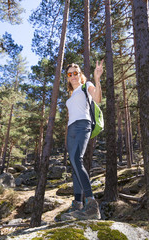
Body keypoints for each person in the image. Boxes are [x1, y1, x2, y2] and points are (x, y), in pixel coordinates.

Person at [61, 60, 104, 220]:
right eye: (70, 74)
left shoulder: (87, 86)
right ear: (67, 77)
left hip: (82, 126)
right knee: (74, 164)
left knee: (77, 160)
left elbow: (98, 99)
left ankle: (92, 205)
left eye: (75, 73)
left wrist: (97, 78)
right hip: (71, 129)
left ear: (80, 75)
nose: (73, 76)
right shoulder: (72, 94)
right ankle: (77, 205)